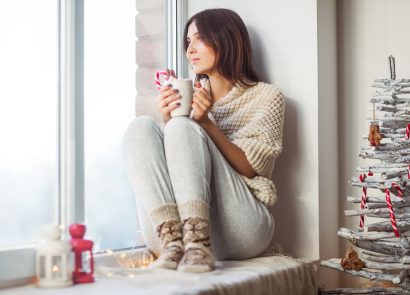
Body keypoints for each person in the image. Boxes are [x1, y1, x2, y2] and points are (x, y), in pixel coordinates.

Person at [123, 8, 284, 273]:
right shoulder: (191, 97)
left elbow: (253, 168)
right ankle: (173, 242)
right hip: (174, 239)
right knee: (140, 127)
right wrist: (169, 119)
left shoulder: (267, 97)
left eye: (199, 39)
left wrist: (205, 122)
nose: (190, 50)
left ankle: (197, 242)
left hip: (242, 228)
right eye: (188, 42)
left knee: (181, 125)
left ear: (226, 39)